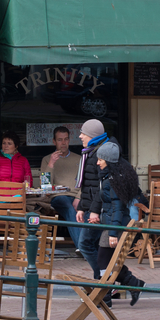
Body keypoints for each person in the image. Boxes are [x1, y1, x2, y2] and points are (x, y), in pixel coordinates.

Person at [90, 141, 146, 306]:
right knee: (108, 262)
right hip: (112, 225)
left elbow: (118, 208)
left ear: (108, 160)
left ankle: (105, 298)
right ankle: (133, 284)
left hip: (113, 227)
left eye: (100, 159)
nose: (98, 162)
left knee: (102, 262)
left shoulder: (111, 181)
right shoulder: (114, 178)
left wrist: (113, 233)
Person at [40, 127, 96, 271]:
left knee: (92, 211)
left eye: (66, 139)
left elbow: (86, 181)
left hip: (78, 196)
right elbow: (45, 186)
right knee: (68, 206)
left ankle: (92, 246)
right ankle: (83, 248)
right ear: (54, 141)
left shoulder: (79, 158)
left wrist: (78, 197)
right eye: (60, 140)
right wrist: (51, 163)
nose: (63, 143)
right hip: (58, 197)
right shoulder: (47, 159)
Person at [73, 119, 111, 279]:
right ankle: (109, 281)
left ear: (93, 135)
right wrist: (82, 206)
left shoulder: (100, 154)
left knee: (85, 244)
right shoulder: (91, 152)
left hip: (99, 210)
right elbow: (88, 184)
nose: (80, 136)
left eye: (84, 133)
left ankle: (104, 282)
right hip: (93, 208)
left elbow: (101, 187)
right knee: (95, 246)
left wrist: (94, 211)